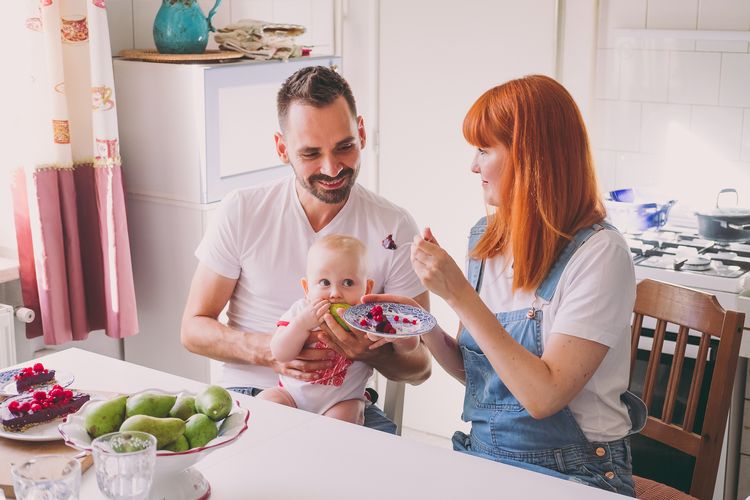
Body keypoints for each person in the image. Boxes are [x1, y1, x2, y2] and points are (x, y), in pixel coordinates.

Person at [367, 75, 646, 495]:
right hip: (484, 458)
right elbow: (481, 374)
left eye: (484, 149)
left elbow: (542, 396)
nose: (473, 166)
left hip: (576, 473)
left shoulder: (601, 255)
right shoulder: (486, 238)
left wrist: (456, 292)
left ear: (530, 156)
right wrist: (420, 322)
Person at [180, 66, 431, 433]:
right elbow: (192, 329)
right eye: (311, 153)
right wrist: (271, 350)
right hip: (253, 393)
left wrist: (369, 351)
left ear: (361, 132)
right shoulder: (244, 210)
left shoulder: (393, 226)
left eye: (345, 146)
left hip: (342, 400)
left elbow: (421, 366)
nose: (332, 168)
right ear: (283, 149)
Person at [260, 234, 420, 424]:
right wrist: (301, 325)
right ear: (306, 288)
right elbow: (280, 353)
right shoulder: (300, 311)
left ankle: (327, 448)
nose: (335, 294)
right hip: (292, 397)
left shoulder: (368, 317)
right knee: (267, 402)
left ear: (367, 288)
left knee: (345, 415)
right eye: (325, 283)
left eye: (348, 283)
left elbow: (410, 347)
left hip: (341, 401)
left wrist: (400, 335)